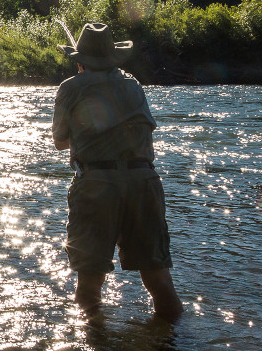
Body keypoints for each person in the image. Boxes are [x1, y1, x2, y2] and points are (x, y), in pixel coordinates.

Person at [51, 22, 183, 324]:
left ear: (79, 61)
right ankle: (175, 340)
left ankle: (94, 341)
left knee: (89, 284)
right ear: (112, 58)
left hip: (97, 186)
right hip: (144, 182)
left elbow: (59, 142)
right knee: (157, 276)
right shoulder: (133, 85)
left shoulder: (70, 87)